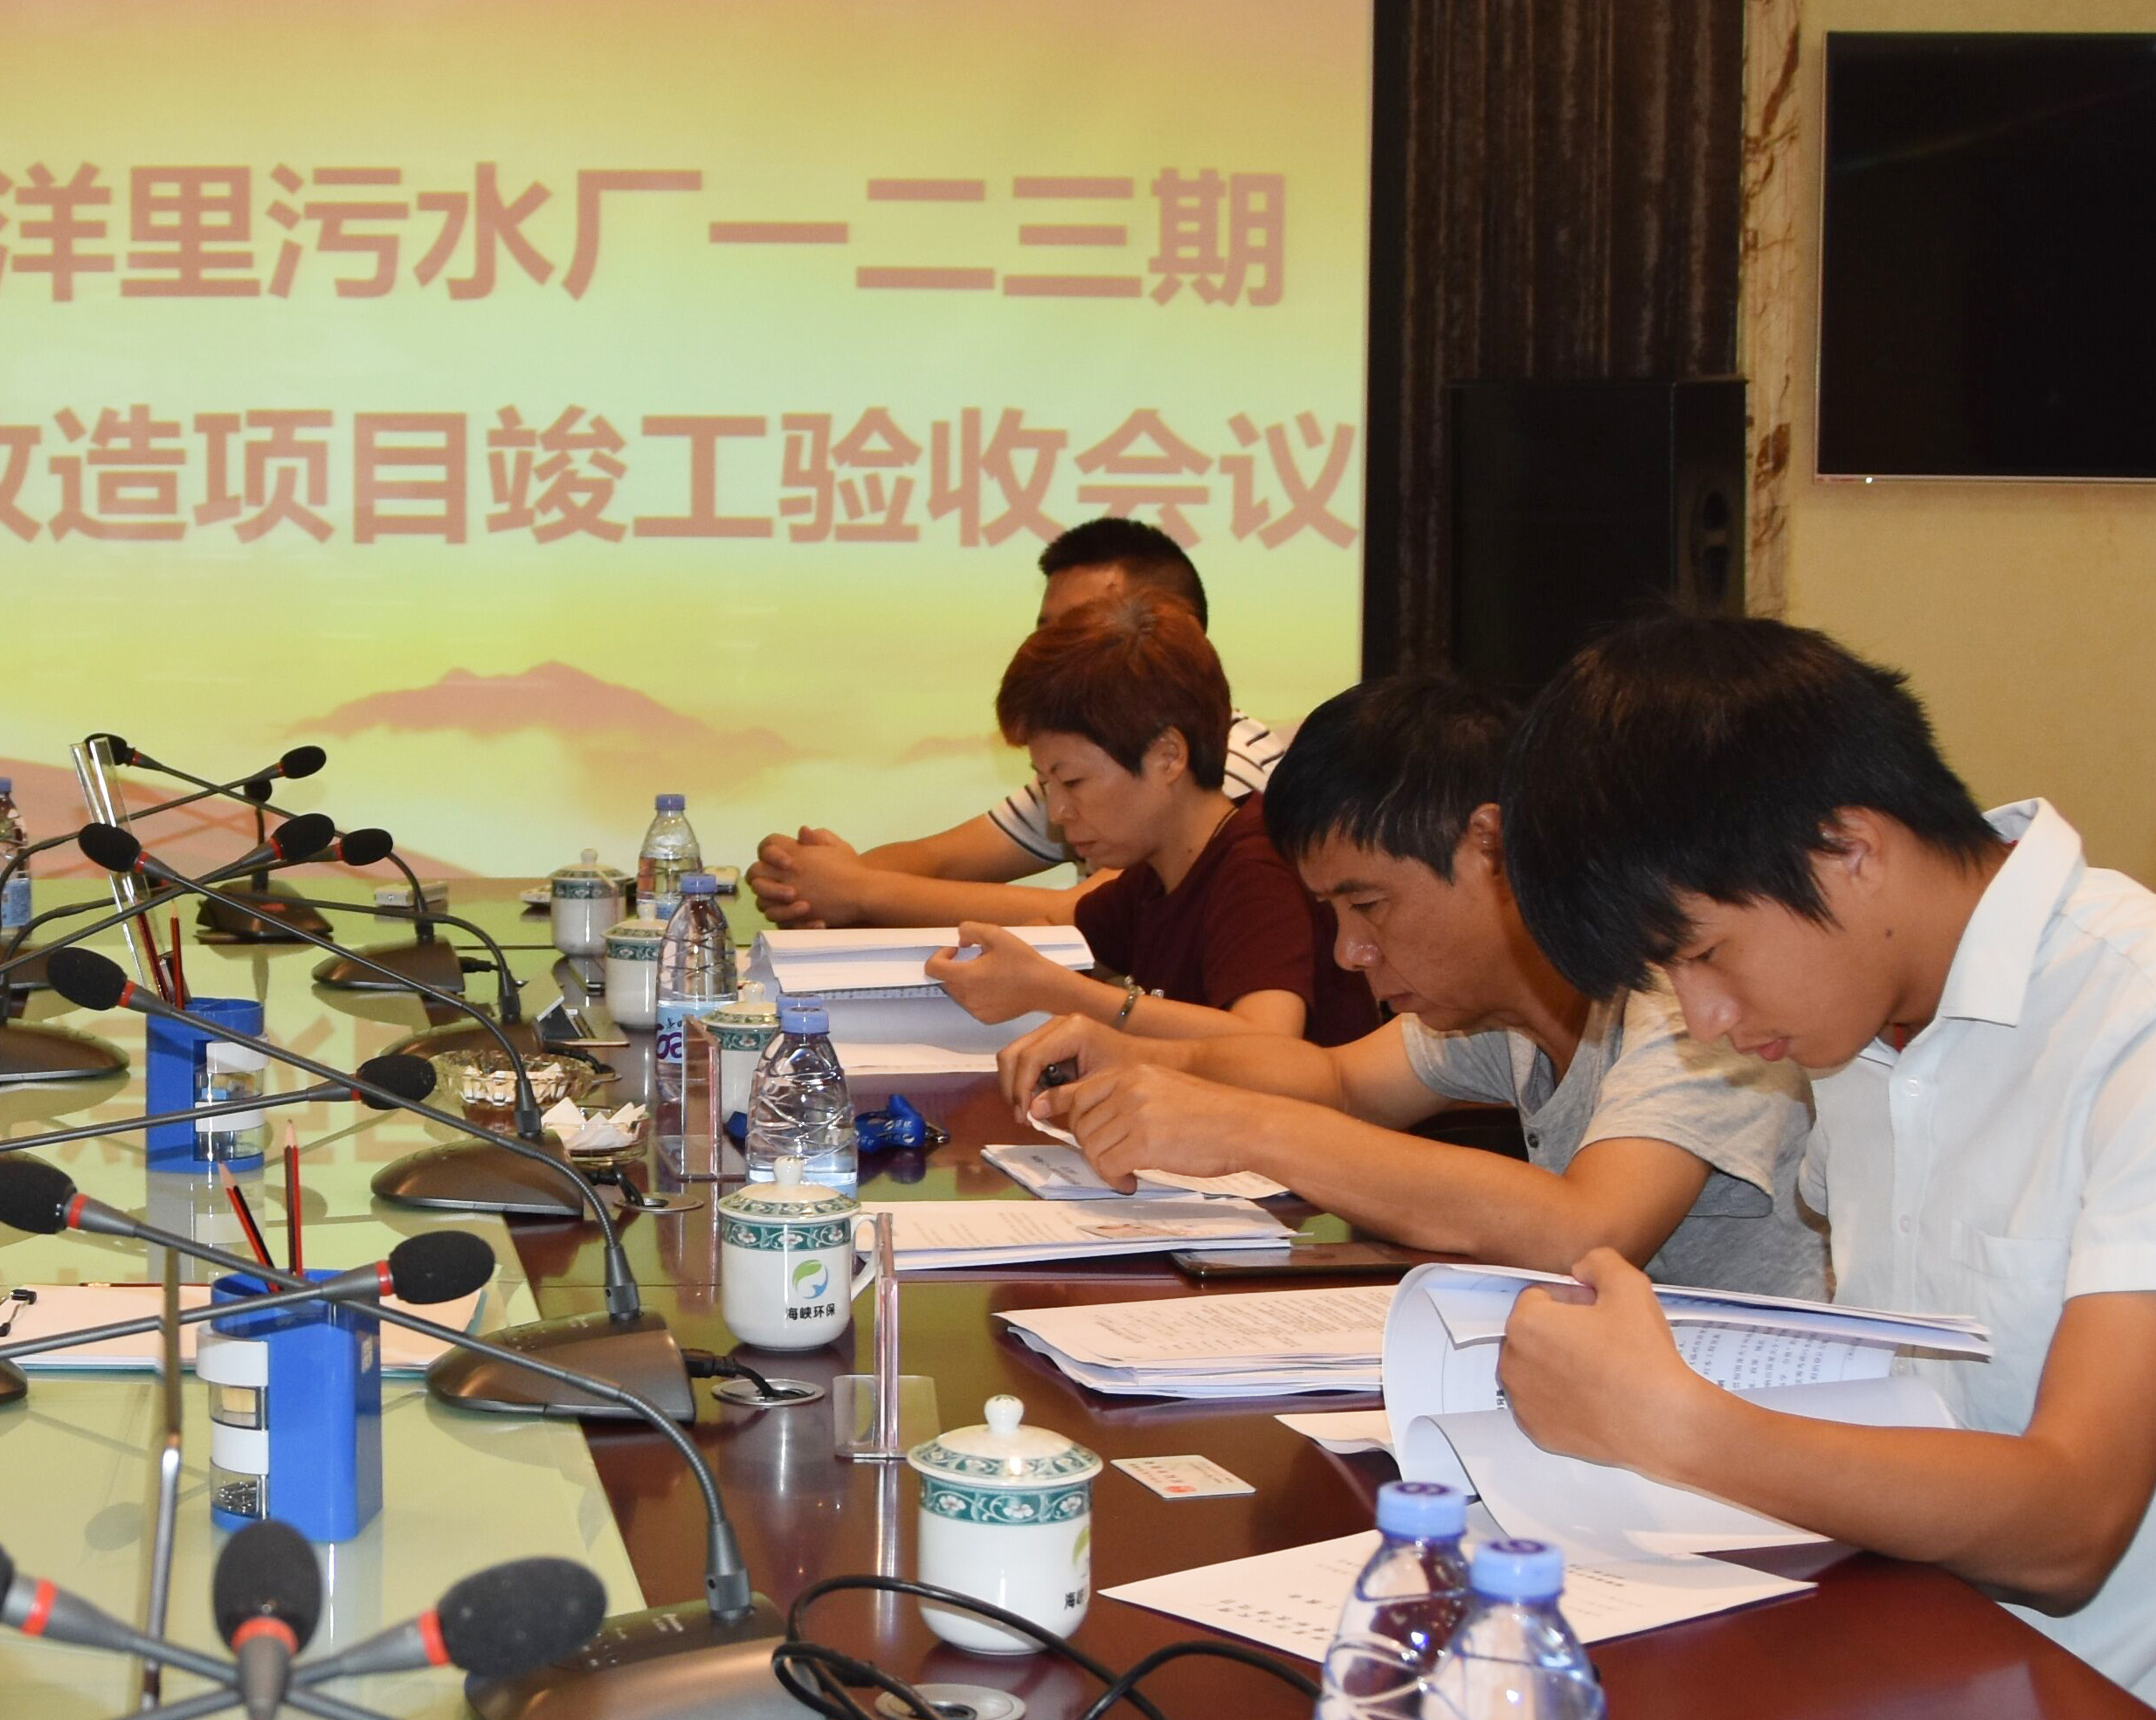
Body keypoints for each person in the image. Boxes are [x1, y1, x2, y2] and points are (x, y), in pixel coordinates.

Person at [1488, 612, 2156, 1720]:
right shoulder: (1865, 1015)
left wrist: (1675, 1424)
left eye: (1704, 953)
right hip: (1861, 1667)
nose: (1705, 1019)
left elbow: (2071, 1523)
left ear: (1850, 847)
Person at [998, 675, 1825, 1292]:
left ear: (1490, 848)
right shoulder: (1504, 1007)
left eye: (1368, 905)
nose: (1350, 952)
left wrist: (1248, 1128)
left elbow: (1585, 1231)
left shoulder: (1687, 995)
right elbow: (1338, 1082)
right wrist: (1133, 1058)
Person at [747, 517, 1289, 933]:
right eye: (1046, 630)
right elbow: (943, 860)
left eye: (1083, 627)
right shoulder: (1093, 762)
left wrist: (859, 891)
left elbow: (1080, 915)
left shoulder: (1220, 771)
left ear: (1167, 629)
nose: (1051, 649)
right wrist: (817, 883)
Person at [918, 598, 1328, 1049]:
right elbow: (1054, 932)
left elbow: (1268, 1041)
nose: (1058, 812)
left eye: (1073, 781)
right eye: (1047, 784)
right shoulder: (1154, 876)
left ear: (1168, 756)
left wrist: (1066, 993)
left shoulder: (1257, 868)